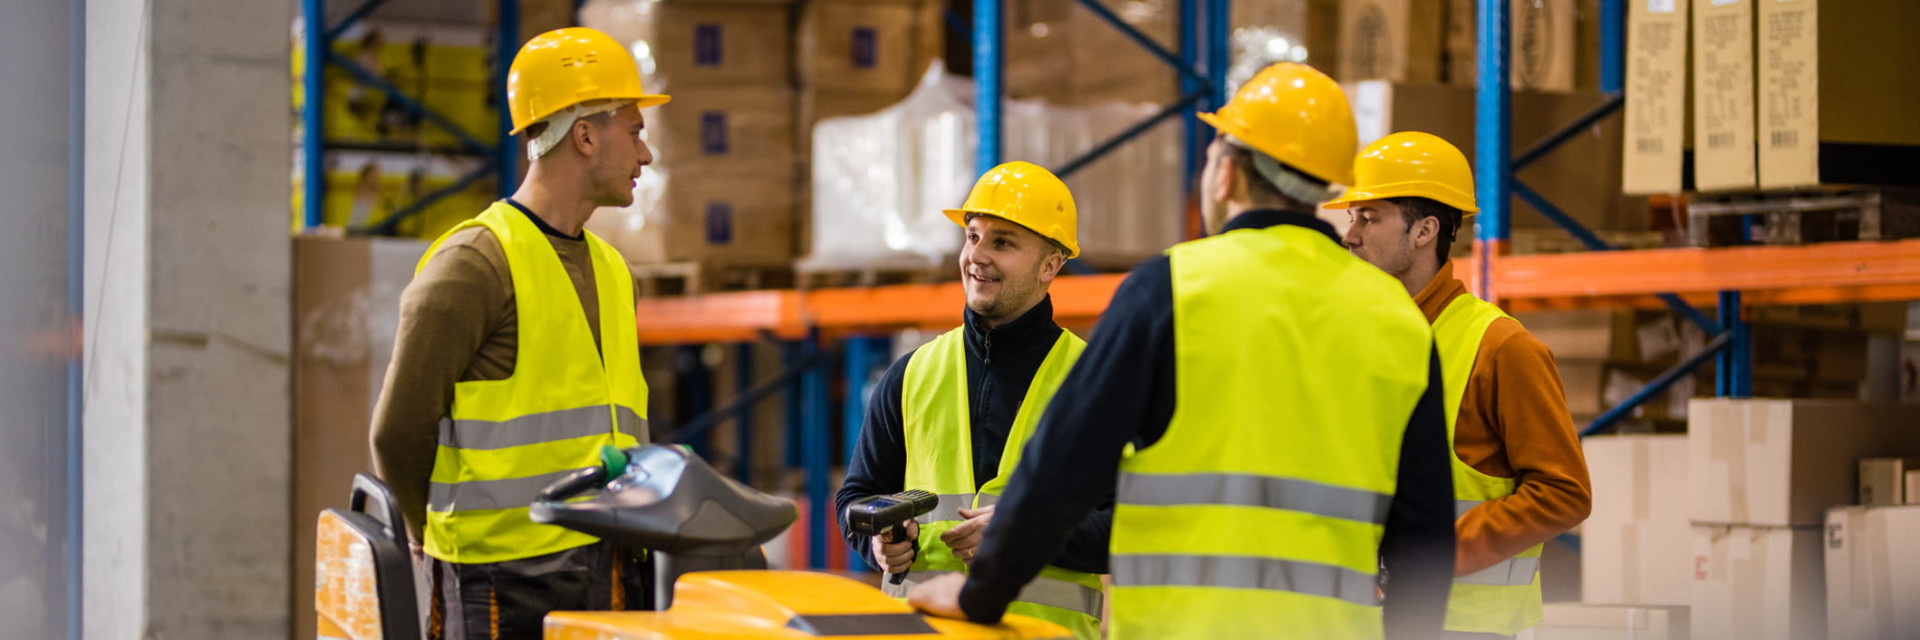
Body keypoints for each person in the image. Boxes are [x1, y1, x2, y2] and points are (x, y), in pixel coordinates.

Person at [905, 62, 1458, 640]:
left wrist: (982, 594)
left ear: (1227, 176)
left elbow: (1064, 469)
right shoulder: (1397, 320)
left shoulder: (1170, 289)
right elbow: (1424, 537)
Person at [369, 27, 669, 639]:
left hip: (612, 572)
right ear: (585, 134)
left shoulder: (615, 272)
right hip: (504, 589)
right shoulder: (475, 264)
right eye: (635, 131)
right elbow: (398, 432)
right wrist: (430, 536)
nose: (646, 154)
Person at [1331, 131, 1593, 640]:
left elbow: (1563, 493)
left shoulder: (1501, 348)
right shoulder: (1356, 337)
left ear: (1425, 230)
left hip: (1462, 626)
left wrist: (1432, 557)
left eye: (1369, 217)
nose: (1351, 235)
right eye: (1352, 217)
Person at [834, 161, 1108, 638]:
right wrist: (877, 543)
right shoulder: (911, 375)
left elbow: (1130, 525)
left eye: (1003, 243)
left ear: (1050, 265)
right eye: (973, 236)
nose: (977, 256)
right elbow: (856, 498)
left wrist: (1025, 531)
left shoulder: (1094, 382)